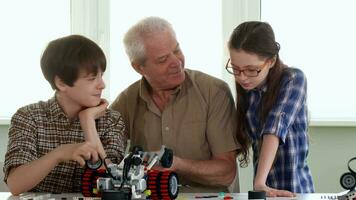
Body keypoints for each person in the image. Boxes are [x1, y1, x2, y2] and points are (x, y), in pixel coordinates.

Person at [110, 16, 250, 193]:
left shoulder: (214, 91)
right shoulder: (126, 101)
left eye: (176, 50)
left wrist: (177, 164)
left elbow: (226, 173)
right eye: (162, 60)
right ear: (139, 67)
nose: (176, 63)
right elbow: (105, 160)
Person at [3, 35, 126, 195]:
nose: (102, 84)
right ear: (61, 83)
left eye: (101, 75)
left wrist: (87, 121)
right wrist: (59, 154)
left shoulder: (111, 120)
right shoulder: (29, 117)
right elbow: (16, 185)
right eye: (92, 78)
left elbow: (111, 183)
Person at [226, 21, 314, 197]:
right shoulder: (249, 91)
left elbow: (274, 128)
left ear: (271, 61)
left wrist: (259, 183)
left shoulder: (293, 79)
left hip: (295, 191)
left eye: (251, 69)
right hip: (264, 193)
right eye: (236, 69)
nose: (242, 77)